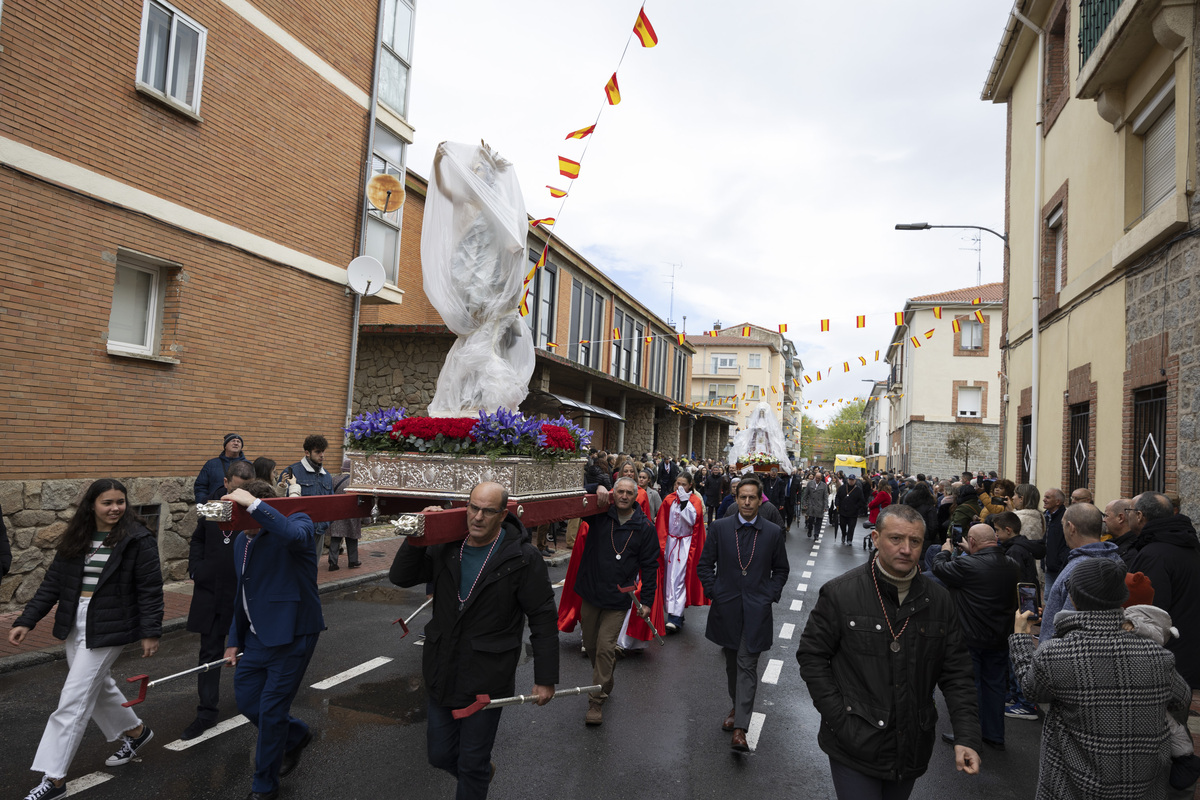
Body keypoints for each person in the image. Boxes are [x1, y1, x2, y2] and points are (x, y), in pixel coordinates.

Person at [797, 505, 982, 799]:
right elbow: (812, 657)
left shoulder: (939, 600)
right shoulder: (840, 593)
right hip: (853, 742)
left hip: (911, 744)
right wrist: (839, 718)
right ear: (876, 538)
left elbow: (957, 672)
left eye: (915, 542)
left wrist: (967, 736)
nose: (906, 549)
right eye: (896, 539)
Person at [391, 482, 558, 798]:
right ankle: (481, 772)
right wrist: (417, 535)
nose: (478, 517)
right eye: (473, 508)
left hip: (487, 676)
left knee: (471, 761)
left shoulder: (522, 557)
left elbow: (543, 617)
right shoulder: (447, 546)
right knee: (439, 754)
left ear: (502, 514)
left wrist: (545, 679)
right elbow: (401, 577)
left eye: (488, 511)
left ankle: (476, 772)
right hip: (442, 668)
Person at [12, 479, 163, 800]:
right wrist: (27, 620)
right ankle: (136, 733)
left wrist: (151, 631)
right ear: (92, 504)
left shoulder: (138, 539)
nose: (115, 508)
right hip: (75, 621)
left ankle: (54, 779)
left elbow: (150, 590)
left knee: (73, 701)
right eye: (107, 502)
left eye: (120, 502)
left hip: (111, 625)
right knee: (97, 687)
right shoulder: (78, 536)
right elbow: (52, 584)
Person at [1010, 558, 1191, 800]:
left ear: (1073, 598)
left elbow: (1031, 690)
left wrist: (1021, 636)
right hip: (1142, 787)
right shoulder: (1157, 655)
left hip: (1072, 785)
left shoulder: (1057, 653)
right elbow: (1182, 699)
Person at [223, 480, 325, 800]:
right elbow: (243, 592)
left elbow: (296, 535)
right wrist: (233, 639)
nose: (241, 521)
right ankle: (295, 735)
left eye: (245, 511)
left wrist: (255, 504)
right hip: (255, 639)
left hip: (292, 635)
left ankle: (264, 786)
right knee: (248, 702)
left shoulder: (297, 522)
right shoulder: (241, 541)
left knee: (270, 711)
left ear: (262, 507)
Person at [698, 475, 790, 751]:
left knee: (747, 665)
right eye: (742, 497)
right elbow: (705, 565)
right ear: (736, 498)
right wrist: (715, 591)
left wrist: (768, 595)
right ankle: (736, 707)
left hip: (756, 611)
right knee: (731, 666)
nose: (747, 502)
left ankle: (741, 727)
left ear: (759, 500)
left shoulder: (773, 532)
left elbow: (781, 570)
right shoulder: (720, 528)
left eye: (752, 497)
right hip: (726, 609)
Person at [557, 477, 659, 726]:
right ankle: (606, 678)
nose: (623, 496)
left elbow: (649, 566)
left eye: (628, 493)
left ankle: (597, 699)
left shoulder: (644, 527)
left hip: (618, 598)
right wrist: (597, 487)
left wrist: (646, 602)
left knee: (605, 647)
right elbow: (576, 493)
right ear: (614, 494)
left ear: (636, 496)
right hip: (591, 592)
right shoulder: (599, 514)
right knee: (591, 645)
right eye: (619, 491)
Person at [931, 524, 1021, 751]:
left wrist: (945, 550)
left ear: (971, 541)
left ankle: (970, 735)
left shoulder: (967, 565)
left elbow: (939, 568)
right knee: (996, 686)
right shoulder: (1012, 564)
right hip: (1000, 636)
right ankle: (994, 734)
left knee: (970, 687)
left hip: (971, 636)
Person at [182, 459, 254, 740]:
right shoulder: (213, 507)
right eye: (234, 490)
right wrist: (196, 568)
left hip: (242, 594)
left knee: (248, 652)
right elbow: (198, 539)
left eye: (244, 492)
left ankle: (249, 702)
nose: (238, 498)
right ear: (225, 484)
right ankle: (206, 713)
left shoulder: (257, 513)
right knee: (209, 654)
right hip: (210, 592)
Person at [1129, 493, 1200, 690]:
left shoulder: (1154, 554)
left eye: (1130, 511)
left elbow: (1148, 612)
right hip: (1187, 652)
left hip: (1166, 659)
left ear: (1140, 516)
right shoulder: (1188, 546)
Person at [1039, 502, 1123, 644]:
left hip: (1062, 656)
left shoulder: (1080, 569)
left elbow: (1068, 622)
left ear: (1071, 527)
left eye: (1063, 524)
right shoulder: (1116, 560)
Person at [657, 472, 708, 633]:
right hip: (671, 543)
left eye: (683, 484)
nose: (680, 487)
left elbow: (693, 520)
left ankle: (675, 617)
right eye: (677, 483)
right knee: (669, 580)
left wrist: (685, 504)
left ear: (690, 485)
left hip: (685, 544)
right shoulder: (669, 499)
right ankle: (675, 612)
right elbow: (662, 522)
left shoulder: (694, 501)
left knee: (678, 579)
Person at [286, 435, 333, 561]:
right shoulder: (292, 471)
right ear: (307, 452)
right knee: (295, 567)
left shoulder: (327, 476)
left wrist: (326, 523)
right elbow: (283, 503)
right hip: (298, 531)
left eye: (323, 451)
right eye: (318, 452)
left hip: (319, 531)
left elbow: (331, 503)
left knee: (313, 569)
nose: (322, 455)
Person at [326, 457, 364, 570]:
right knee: (352, 538)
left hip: (337, 514)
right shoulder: (356, 481)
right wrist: (366, 519)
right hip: (352, 514)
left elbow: (329, 497)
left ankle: (333, 563)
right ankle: (353, 561)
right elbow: (362, 500)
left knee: (335, 539)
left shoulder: (334, 480)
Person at [991, 511, 1044, 586]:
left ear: (1008, 530)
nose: (996, 534)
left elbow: (1017, 580)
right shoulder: (1019, 545)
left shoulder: (1015, 551)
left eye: (997, 530)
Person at [195, 433, 249, 503]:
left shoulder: (248, 465)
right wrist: (203, 502)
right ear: (225, 445)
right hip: (214, 507)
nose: (236, 443)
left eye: (238, 441)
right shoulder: (211, 464)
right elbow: (200, 486)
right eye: (233, 441)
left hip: (240, 506)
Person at [1041, 487, 1067, 596]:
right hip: (1048, 566)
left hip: (1061, 567)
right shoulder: (1044, 516)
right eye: (1044, 497)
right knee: (1048, 597)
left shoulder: (1065, 518)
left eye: (1048, 497)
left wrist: (1062, 560)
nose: (1044, 499)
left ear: (1057, 502)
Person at [835, 474, 866, 546]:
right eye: (850, 480)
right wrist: (837, 504)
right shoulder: (842, 488)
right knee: (842, 525)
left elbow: (862, 501)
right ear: (848, 480)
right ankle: (843, 534)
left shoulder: (858, 490)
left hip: (853, 512)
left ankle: (849, 539)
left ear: (855, 481)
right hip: (843, 511)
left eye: (852, 480)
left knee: (851, 527)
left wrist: (856, 507)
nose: (851, 481)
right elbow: (838, 497)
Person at [865, 478, 892, 549]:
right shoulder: (887, 493)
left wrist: (869, 506)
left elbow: (875, 502)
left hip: (879, 515)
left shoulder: (882, 493)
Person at [802, 470, 828, 538]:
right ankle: (810, 530)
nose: (817, 479)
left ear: (821, 478)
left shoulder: (824, 485)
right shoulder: (810, 483)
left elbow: (825, 497)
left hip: (820, 505)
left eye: (819, 478)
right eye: (816, 477)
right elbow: (805, 495)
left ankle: (816, 534)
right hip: (811, 505)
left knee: (819, 521)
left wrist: (826, 506)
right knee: (810, 520)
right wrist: (804, 503)